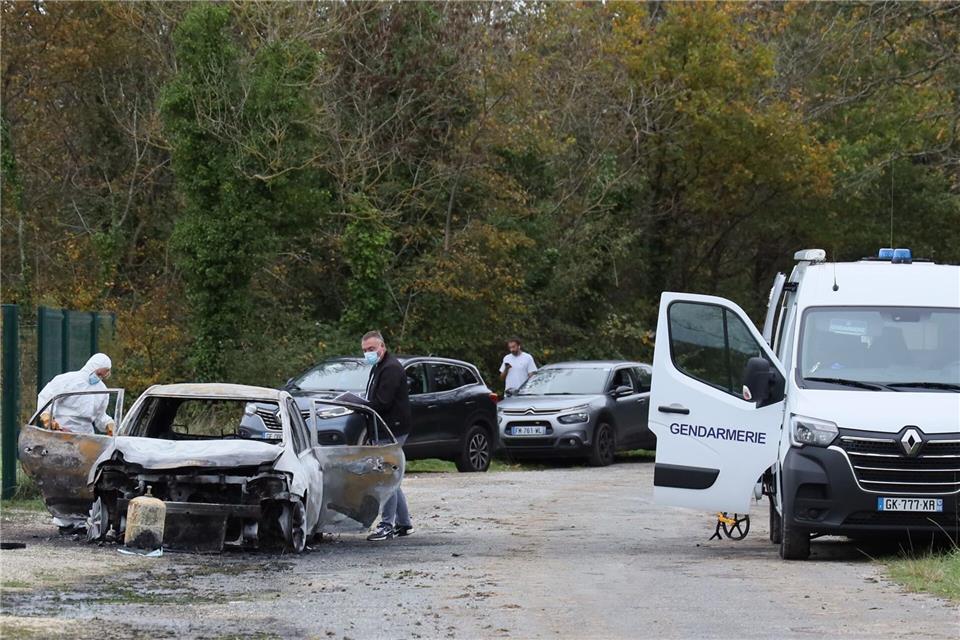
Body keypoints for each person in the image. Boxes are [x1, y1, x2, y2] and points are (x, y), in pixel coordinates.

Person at [359, 330, 413, 541]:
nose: (368, 353)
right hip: (386, 427)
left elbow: (382, 402)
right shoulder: (379, 366)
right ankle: (403, 523)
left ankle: (386, 525)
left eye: (371, 349)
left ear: (382, 346)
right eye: (364, 350)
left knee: (387, 477)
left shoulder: (390, 368)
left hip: (392, 429)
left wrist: (361, 406)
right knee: (392, 478)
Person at [36, 353, 115, 435]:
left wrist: (108, 424)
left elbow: (100, 416)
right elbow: (47, 396)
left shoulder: (102, 390)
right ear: (92, 367)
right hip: (60, 431)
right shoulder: (68, 379)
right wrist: (47, 416)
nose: (99, 378)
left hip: (86, 436)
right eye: (98, 374)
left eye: (102, 376)